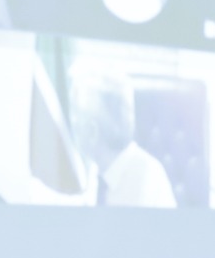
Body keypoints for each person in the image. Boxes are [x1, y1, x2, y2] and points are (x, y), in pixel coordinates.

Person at [68, 64, 177, 208]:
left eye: (77, 117)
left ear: (92, 132)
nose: (73, 124)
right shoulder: (96, 171)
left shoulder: (149, 178)